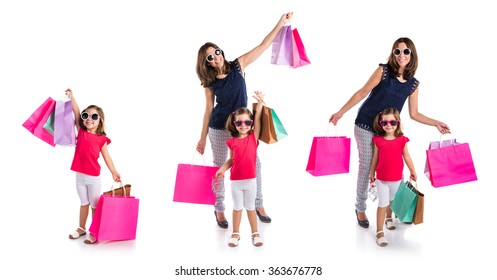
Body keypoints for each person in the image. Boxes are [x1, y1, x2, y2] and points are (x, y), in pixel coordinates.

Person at [329, 37, 450, 228]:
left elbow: (414, 113)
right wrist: (340, 112)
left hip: (388, 130)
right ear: (393, 53)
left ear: (412, 55)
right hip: (366, 125)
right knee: (367, 165)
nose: (401, 55)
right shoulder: (383, 71)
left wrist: (436, 123)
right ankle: (360, 207)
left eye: (406, 51)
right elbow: (362, 93)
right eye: (397, 51)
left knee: (391, 167)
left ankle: (388, 210)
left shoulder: (413, 84)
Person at [196, 12, 293, 228]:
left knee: (254, 163)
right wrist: (202, 138)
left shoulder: (238, 66)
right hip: (219, 128)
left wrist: (281, 22)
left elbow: (263, 44)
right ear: (207, 63)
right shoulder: (209, 83)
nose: (215, 57)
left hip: (242, 127)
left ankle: (258, 204)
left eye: (216, 52)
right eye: (210, 57)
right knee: (219, 167)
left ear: (222, 52)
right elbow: (207, 110)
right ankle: (219, 209)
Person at [65, 88, 120, 244]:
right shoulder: (81, 132)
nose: (89, 118)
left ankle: (94, 230)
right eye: (86, 115)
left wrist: (114, 171)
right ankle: (81, 228)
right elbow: (75, 112)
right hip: (79, 176)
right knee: (83, 203)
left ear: (100, 120)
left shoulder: (102, 139)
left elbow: (107, 157)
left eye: (94, 116)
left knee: (94, 205)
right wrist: (72, 97)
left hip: (93, 177)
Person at [215, 91, 265, 247]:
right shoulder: (231, 142)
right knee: (237, 208)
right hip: (236, 182)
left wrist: (261, 104)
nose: (243, 126)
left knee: (250, 208)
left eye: (247, 123)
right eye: (239, 123)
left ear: (250, 124)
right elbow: (231, 160)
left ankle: (255, 233)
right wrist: (222, 169)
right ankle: (235, 233)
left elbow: (257, 118)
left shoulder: (253, 138)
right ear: (234, 124)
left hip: (251, 181)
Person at [369, 108, 416, 247]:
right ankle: (379, 232)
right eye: (385, 122)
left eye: (392, 122)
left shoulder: (402, 140)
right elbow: (375, 158)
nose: (388, 125)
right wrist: (372, 173)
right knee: (382, 204)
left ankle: (389, 218)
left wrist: (413, 170)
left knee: (391, 201)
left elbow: (407, 156)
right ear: (381, 123)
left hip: (396, 179)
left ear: (398, 122)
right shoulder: (378, 140)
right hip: (381, 180)